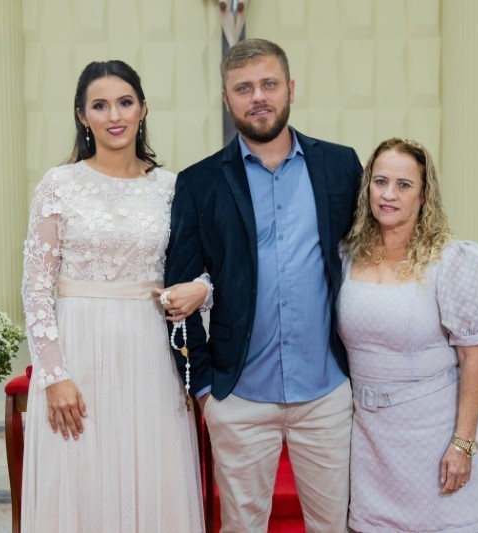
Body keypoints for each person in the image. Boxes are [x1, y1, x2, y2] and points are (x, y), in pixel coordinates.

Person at [164, 38, 363, 531]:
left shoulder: (340, 166)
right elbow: (177, 293)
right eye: (243, 88)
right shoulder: (199, 183)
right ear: (226, 99)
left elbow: (369, 257)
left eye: (269, 84)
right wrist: (205, 389)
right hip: (239, 396)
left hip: (326, 391)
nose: (258, 97)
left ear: (290, 88)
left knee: (333, 526)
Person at [20, 60, 208, 532]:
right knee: (79, 478)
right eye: (100, 106)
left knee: (149, 480)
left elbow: (204, 268)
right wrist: (54, 376)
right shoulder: (58, 185)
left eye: (125, 102)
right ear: (82, 116)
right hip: (78, 351)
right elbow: (36, 288)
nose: (114, 115)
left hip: (149, 353)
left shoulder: (171, 188)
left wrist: (202, 289)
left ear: (143, 108)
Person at [339, 137, 478, 532]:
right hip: (369, 440)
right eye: (380, 182)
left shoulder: (451, 261)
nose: (388, 194)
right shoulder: (346, 255)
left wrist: (462, 444)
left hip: (434, 436)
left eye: (404, 184)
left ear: (424, 194)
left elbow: (472, 357)